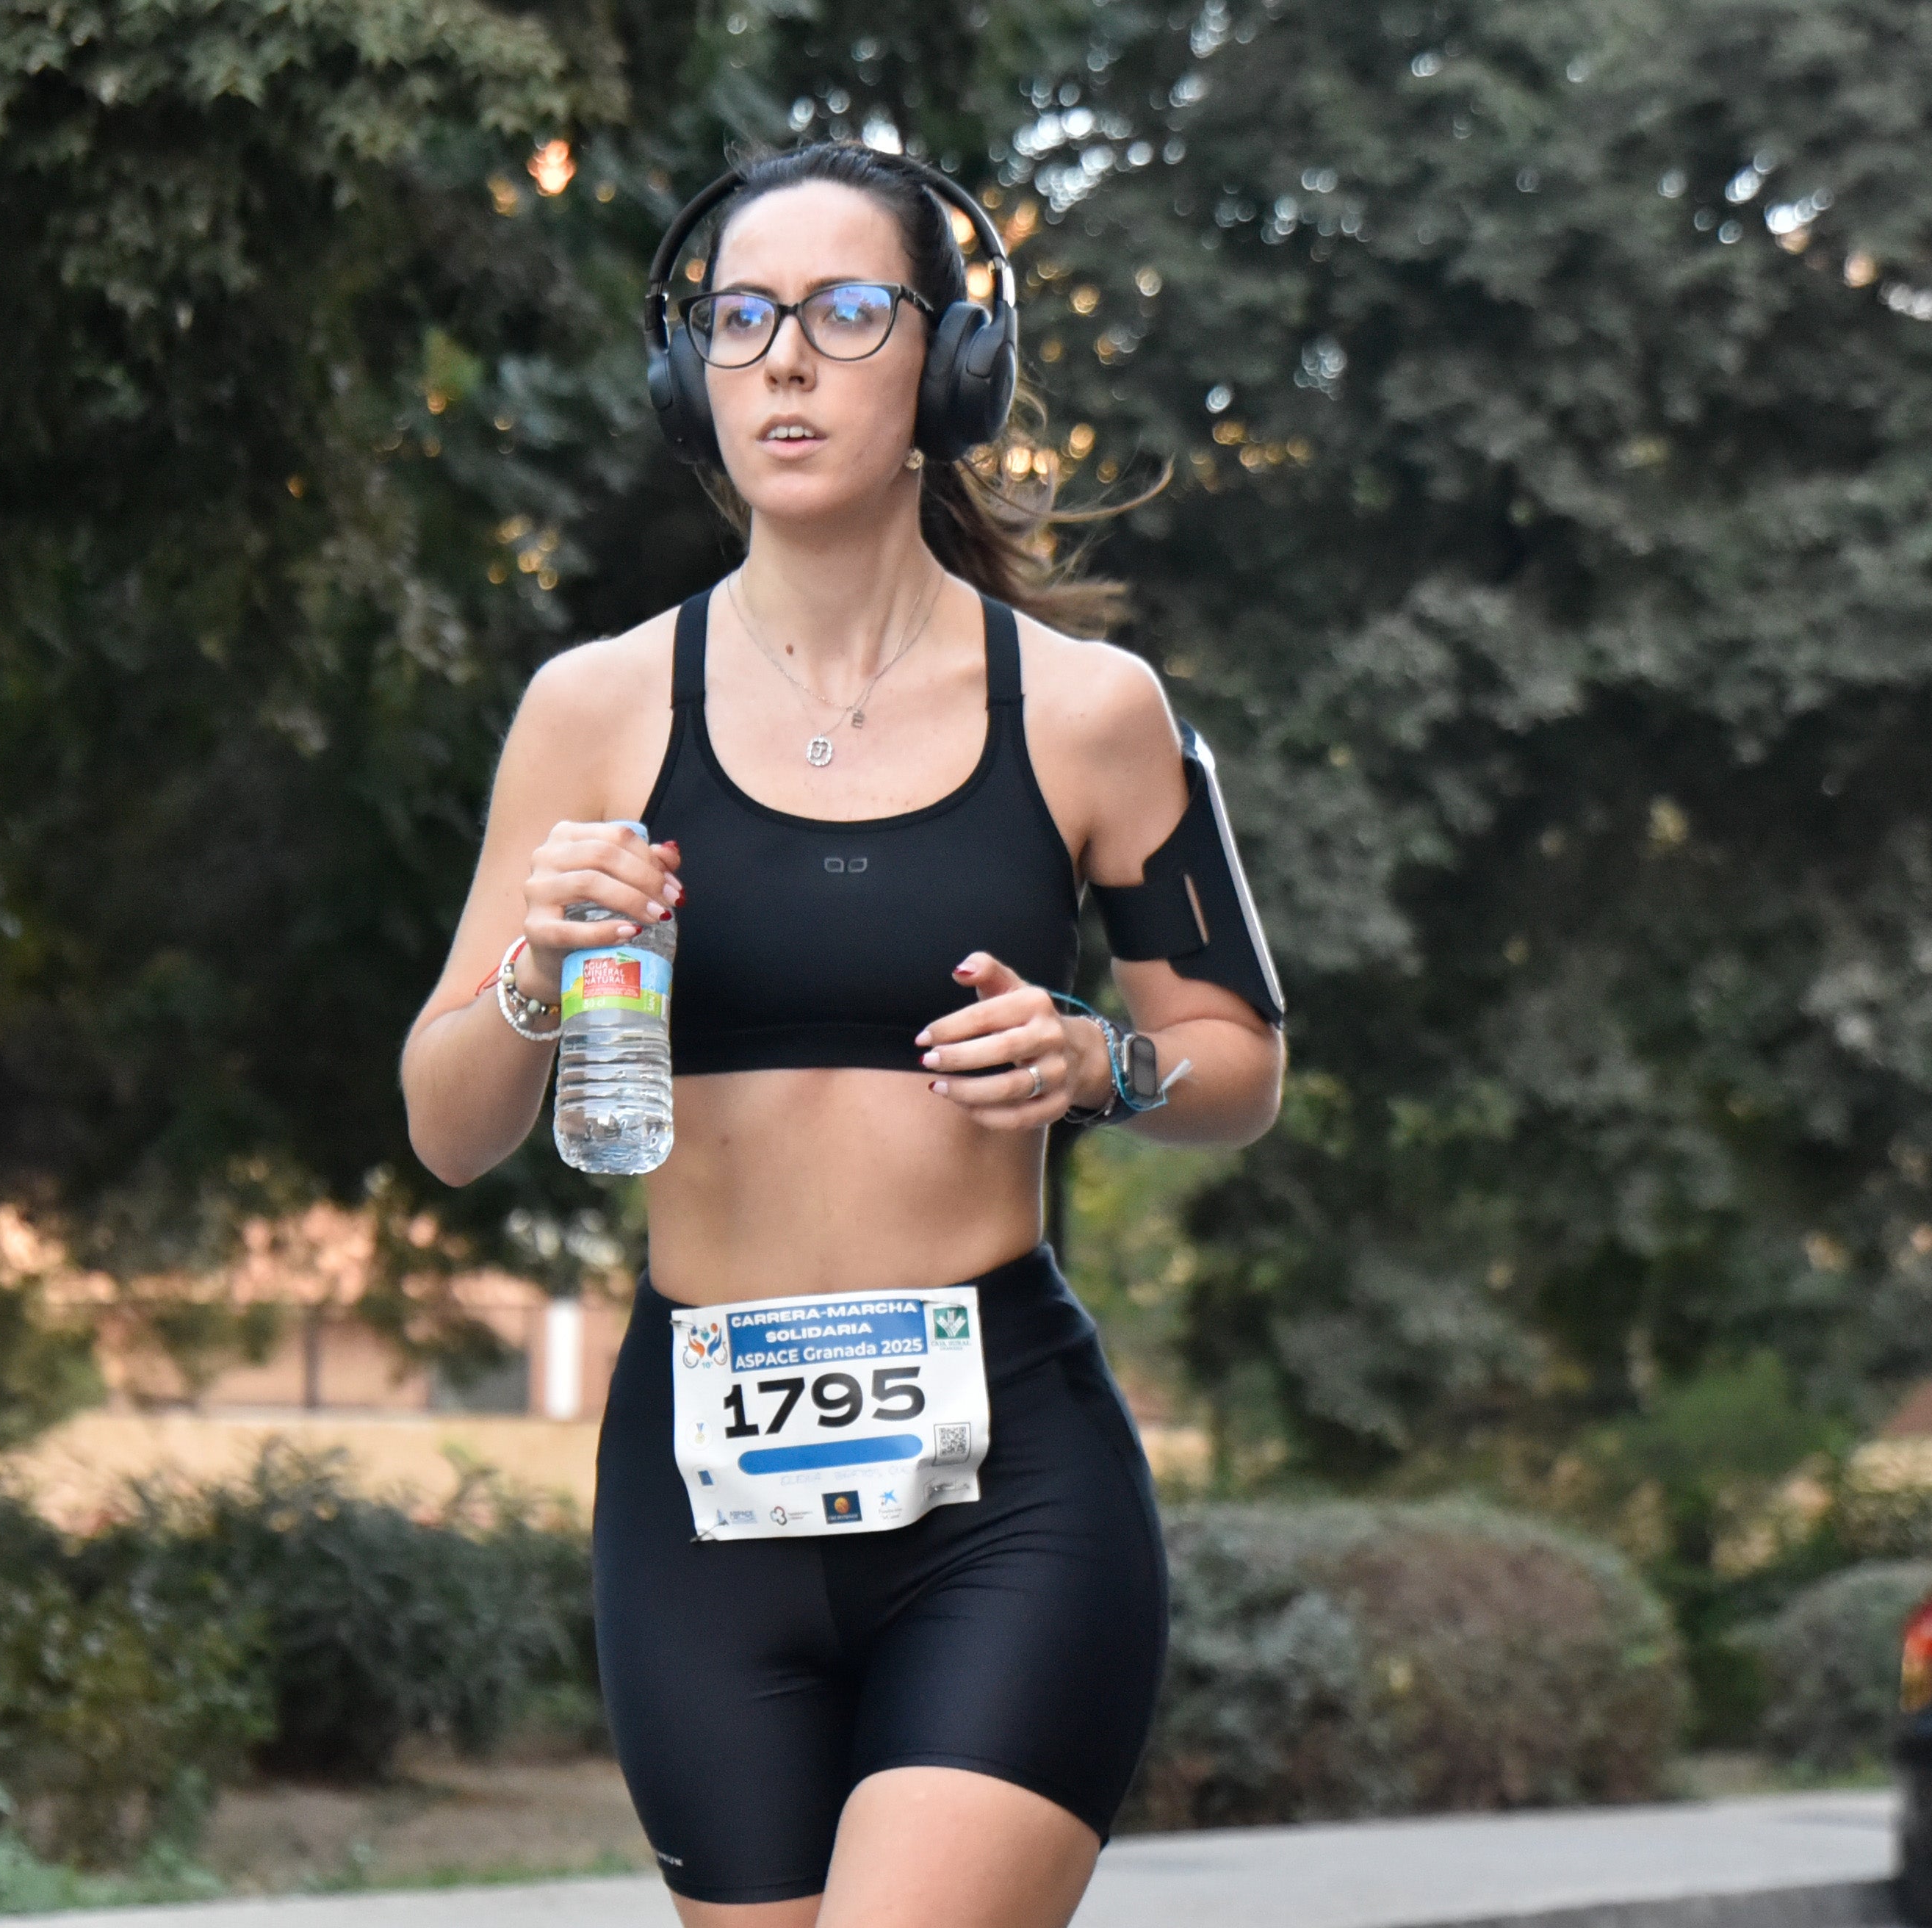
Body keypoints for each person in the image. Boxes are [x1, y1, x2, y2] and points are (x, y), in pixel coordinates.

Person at [399, 140, 1286, 1928]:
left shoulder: (1090, 713)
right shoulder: (592, 708)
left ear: (951, 366)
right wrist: (536, 971)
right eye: (740, 319)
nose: (786, 359)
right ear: (691, 375)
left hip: (1009, 1492)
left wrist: (1105, 1065)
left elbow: (1239, 1061)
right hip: (697, 1499)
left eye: (847, 311)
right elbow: (447, 1124)